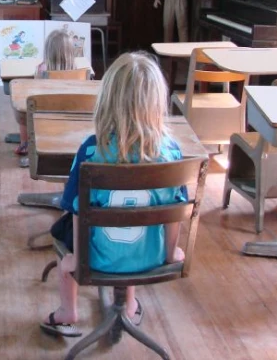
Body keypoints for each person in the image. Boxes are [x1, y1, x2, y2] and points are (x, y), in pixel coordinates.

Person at [40, 52, 185, 338]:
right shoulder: (172, 153)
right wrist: (170, 254)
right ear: (157, 102)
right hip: (151, 258)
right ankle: (129, 304)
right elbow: (175, 213)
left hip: (95, 260)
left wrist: (79, 262)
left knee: (65, 229)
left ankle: (67, 312)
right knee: (138, 221)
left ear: (107, 99)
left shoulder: (91, 151)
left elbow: (75, 211)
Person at [15, 29, 77, 168]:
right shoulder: (79, 71)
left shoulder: (41, 70)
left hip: (44, 119)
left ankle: (25, 145)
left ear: (47, 51)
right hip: (73, 118)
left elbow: (35, 94)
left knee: (24, 112)